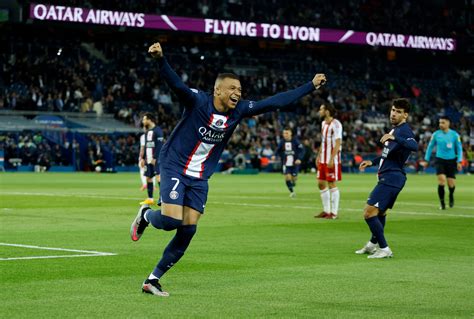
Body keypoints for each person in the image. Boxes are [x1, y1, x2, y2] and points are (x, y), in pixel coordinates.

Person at [130, 42, 327, 296]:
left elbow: (274, 102)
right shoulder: (198, 101)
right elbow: (176, 84)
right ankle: (146, 215)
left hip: (200, 175)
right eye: (232, 88)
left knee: (188, 228)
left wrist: (309, 86)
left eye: (240, 89)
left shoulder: (240, 110)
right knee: (170, 220)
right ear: (217, 90)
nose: (237, 92)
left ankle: (153, 279)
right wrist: (160, 60)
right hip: (175, 165)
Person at [356, 98, 418, 258]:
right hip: (391, 177)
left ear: (405, 115)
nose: (393, 114)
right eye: (393, 110)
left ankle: (384, 248)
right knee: (380, 213)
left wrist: (395, 138)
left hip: (392, 178)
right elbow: (386, 156)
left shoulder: (403, 130)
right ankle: (372, 245)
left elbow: (414, 146)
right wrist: (372, 162)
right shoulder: (393, 131)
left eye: (398, 112)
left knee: (368, 212)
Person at [421, 116, 463, 209]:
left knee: (451, 184)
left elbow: (459, 149)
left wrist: (459, 161)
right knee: (442, 181)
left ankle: (451, 195)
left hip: (451, 161)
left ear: (448, 123)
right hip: (440, 160)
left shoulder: (455, 135)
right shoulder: (436, 134)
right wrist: (426, 160)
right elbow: (430, 147)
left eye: (443, 122)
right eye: (440, 122)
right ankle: (442, 203)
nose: (441, 124)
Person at [314, 103, 343, 220]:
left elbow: (338, 143)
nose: (319, 111)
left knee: (331, 183)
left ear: (327, 111)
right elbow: (323, 141)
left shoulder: (336, 124)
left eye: (321, 109)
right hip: (323, 159)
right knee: (321, 183)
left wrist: (331, 158)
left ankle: (334, 213)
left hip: (332, 160)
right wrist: (318, 156)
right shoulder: (323, 124)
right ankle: (326, 211)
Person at [139, 113, 164, 206]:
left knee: (159, 177)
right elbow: (146, 146)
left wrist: (155, 158)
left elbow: (160, 145)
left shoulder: (158, 131)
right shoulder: (147, 132)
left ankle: (162, 198)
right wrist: (142, 158)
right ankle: (150, 198)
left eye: (144, 119)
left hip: (156, 159)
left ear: (150, 120)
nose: (143, 121)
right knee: (148, 178)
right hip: (148, 159)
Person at [273, 128, 304, 197]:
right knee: (287, 177)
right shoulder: (282, 142)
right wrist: (274, 155)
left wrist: (299, 159)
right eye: (284, 133)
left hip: (295, 163)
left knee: (294, 178)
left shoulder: (295, 141)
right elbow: (278, 149)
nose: (285, 135)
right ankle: (292, 192)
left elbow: (302, 150)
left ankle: (293, 181)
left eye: (287, 133)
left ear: (290, 133)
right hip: (286, 163)